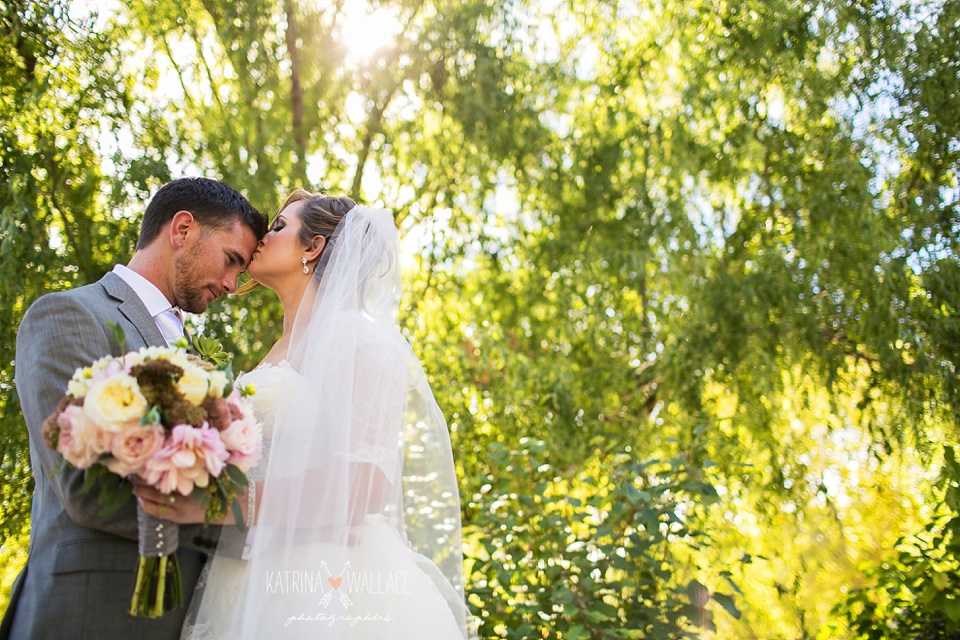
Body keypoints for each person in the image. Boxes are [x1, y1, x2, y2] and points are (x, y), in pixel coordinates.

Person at [156, 190, 469, 638]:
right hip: (247, 570)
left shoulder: (361, 341)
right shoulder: (276, 352)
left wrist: (224, 505)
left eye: (279, 227)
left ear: (313, 247)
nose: (263, 237)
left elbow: (367, 482)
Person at [2, 177, 269, 640]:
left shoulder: (197, 354)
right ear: (182, 229)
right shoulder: (71, 315)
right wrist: (241, 518)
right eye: (231, 261)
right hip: (91, 613)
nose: (231, 284)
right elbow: (84, 486)